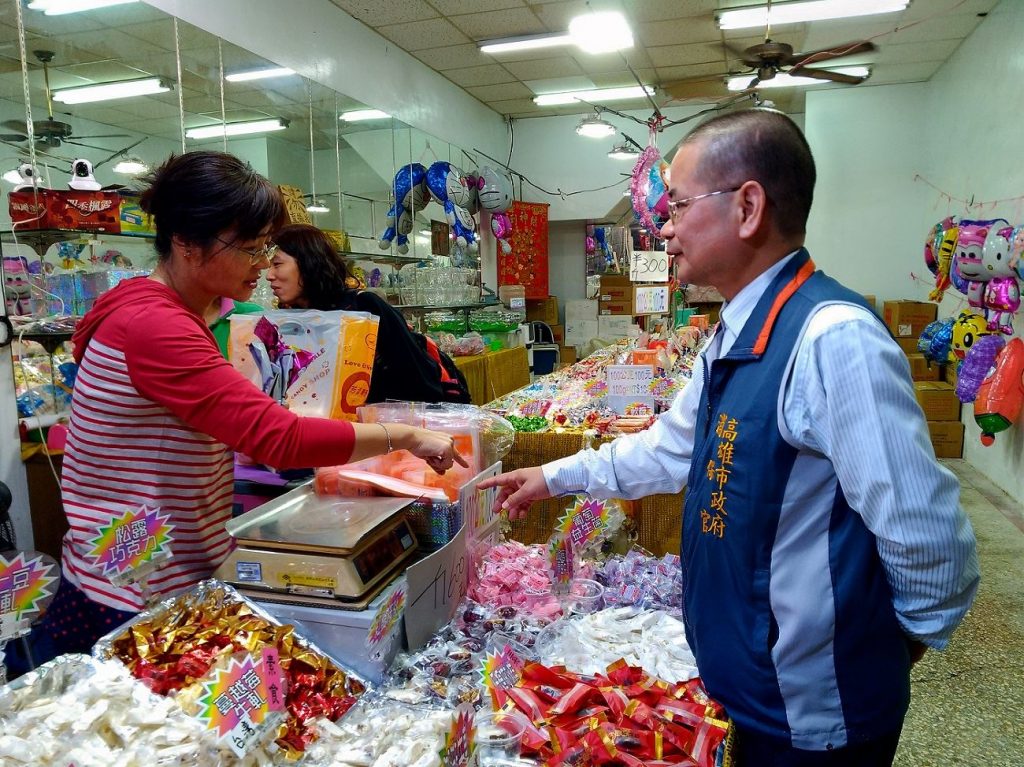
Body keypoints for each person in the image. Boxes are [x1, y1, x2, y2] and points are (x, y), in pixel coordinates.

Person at [479, 110, 979, 767]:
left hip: (817, 717)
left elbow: (928, 536)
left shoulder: (832, 339)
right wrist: (552, 476)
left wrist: (888, 647)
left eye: (679, 203)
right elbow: (669, 448)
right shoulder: (736, 333)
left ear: (748, 207)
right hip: (756, 694)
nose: (665, 225)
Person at [8, 151, 465, 673]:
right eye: (248, 247)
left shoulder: (151, 308)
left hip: (142, 567)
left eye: (265, 247)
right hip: (128, 591)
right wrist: (406, 436)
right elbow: (278, 440)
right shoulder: (156, 326)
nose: (261, 262)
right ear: (186, 241)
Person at [268, 223, 470, 404]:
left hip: (387, 430)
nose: (269, 275)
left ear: (308, 262)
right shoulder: (288, 321)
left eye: (277, 264)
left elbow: (419, 379)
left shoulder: (363, 307)